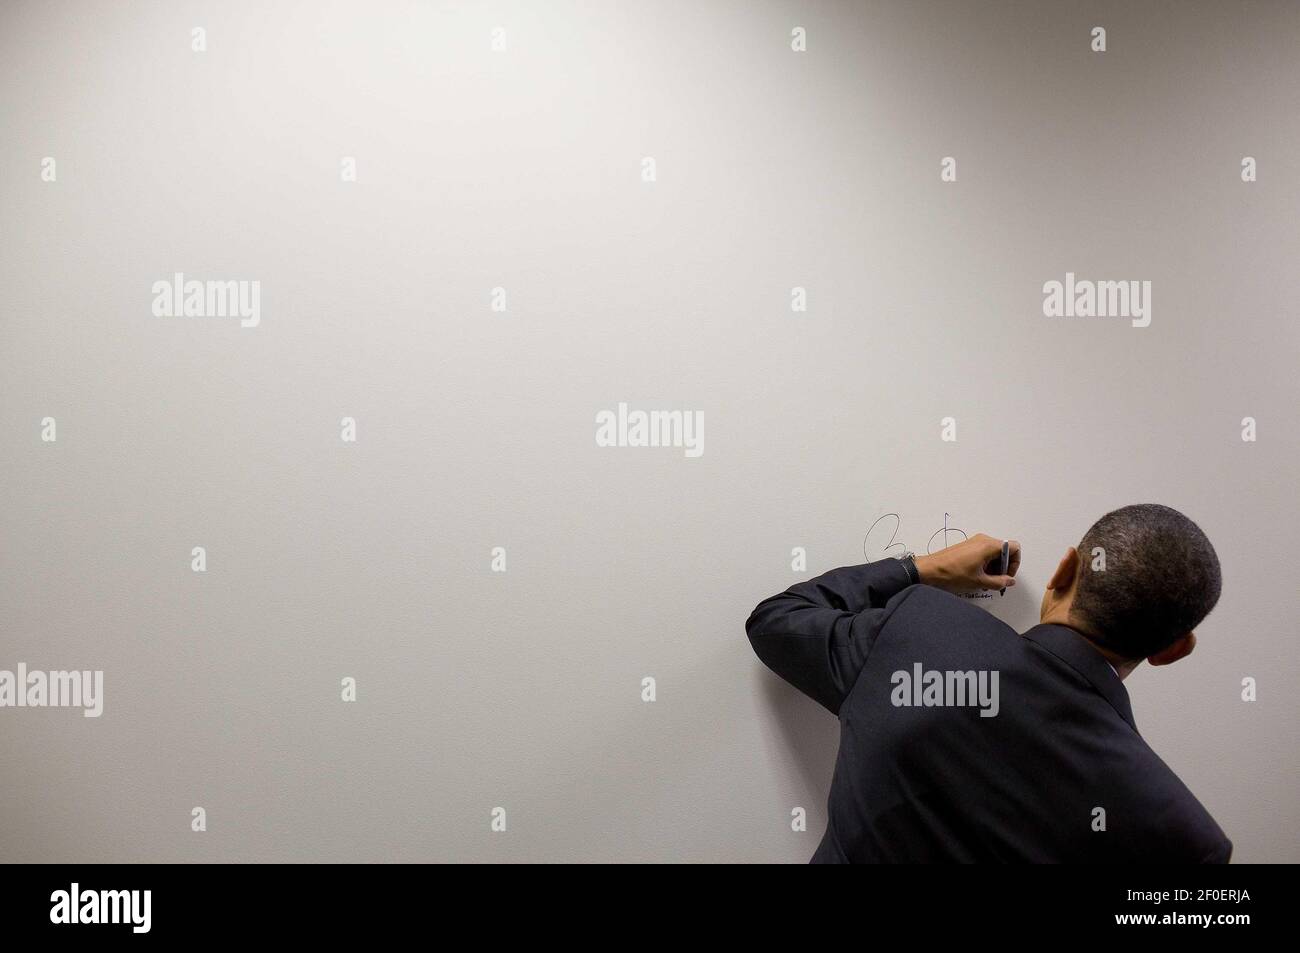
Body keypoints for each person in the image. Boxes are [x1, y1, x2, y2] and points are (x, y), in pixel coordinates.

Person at [745, 503, 1231, 863]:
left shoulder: (916, 634)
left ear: (1063, 571)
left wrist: (922, 570)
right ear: (1173, 650)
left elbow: (776, 623)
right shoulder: (1184, 839)